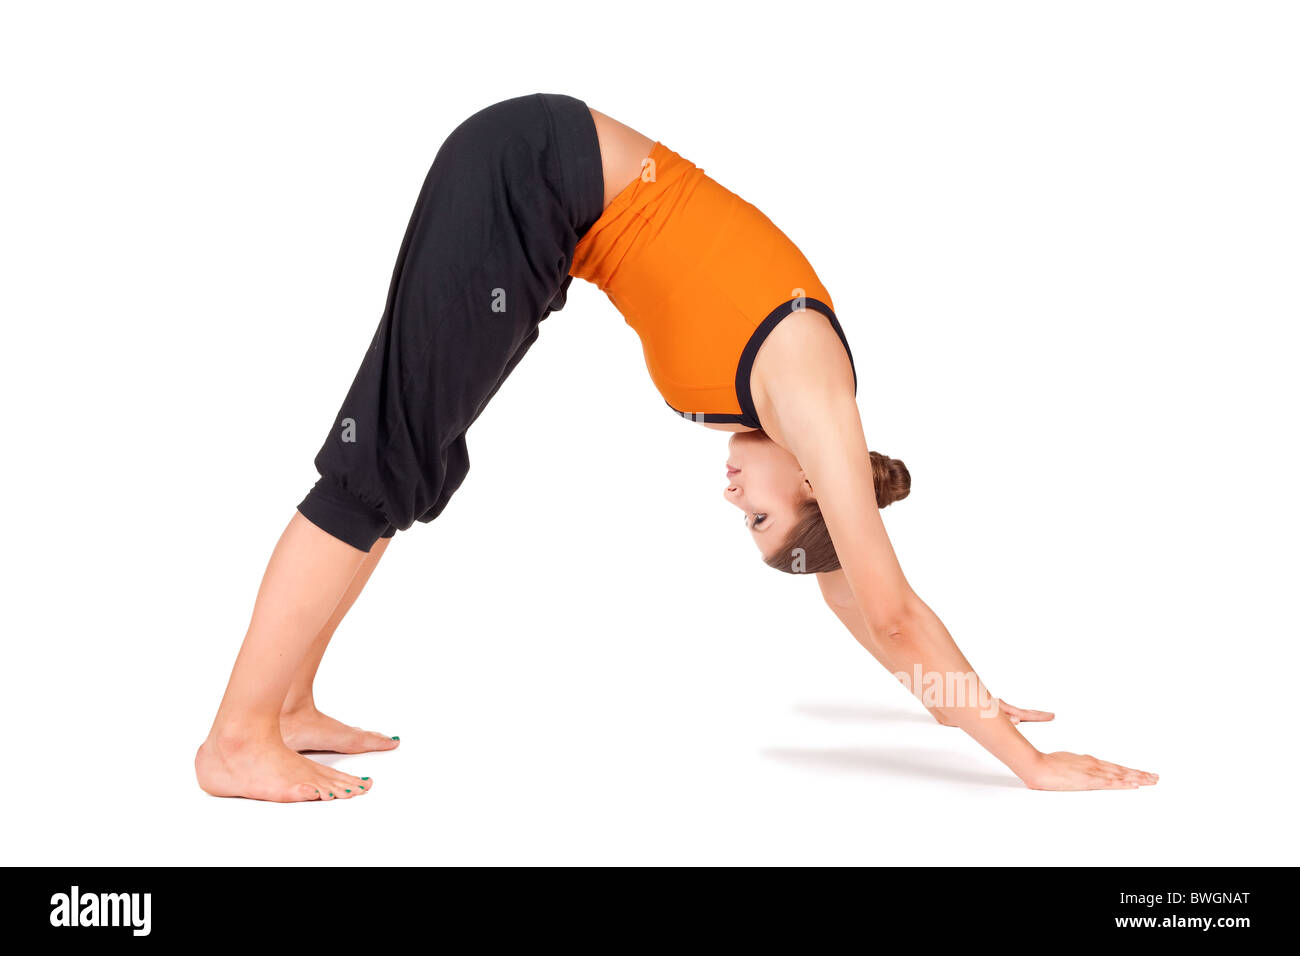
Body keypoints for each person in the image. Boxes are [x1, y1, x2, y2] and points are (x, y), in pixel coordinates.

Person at [195, 93, 1158, 801]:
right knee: (380, 463)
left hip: (540, 208)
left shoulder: (796, 432)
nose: (734, 496)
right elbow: (896, 608)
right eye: (759, 513)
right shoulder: (814, 398)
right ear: (818, 488)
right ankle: (237, 738)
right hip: (530, 174)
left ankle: (287, 706)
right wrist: (1024, 764)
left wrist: (974, 702)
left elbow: (857, 603)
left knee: (410, 464)